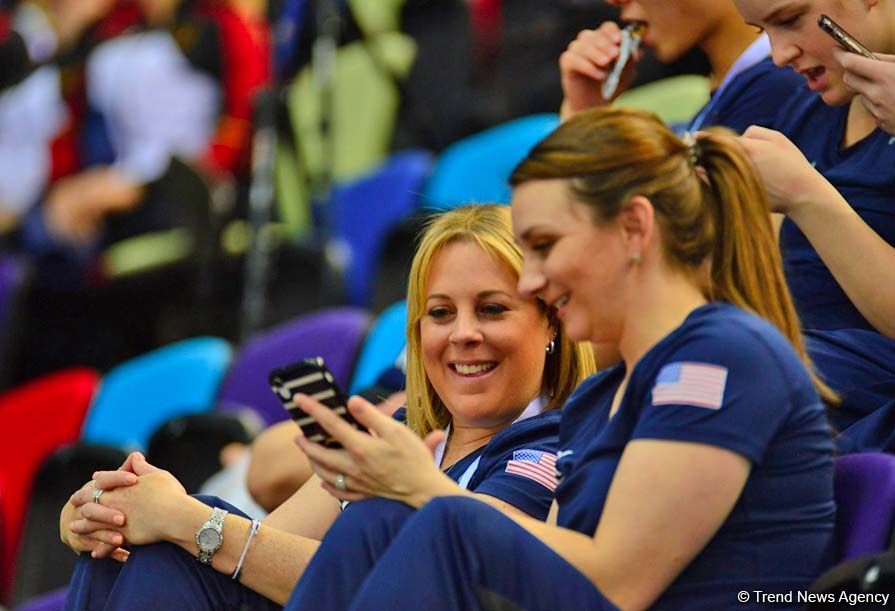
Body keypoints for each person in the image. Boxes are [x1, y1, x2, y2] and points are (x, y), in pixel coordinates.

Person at [282, 107, 837, 611]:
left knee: (436, 517)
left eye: (545, 245)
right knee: (380, 518)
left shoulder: (722, 356)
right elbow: (550, 569)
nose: (533, 280)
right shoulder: (601, 393)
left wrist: (423, 486)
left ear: (634, 229)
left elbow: (619, 586)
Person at [60, 204, 597, 609]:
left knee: (179, 539)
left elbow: (380, 585)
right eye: (440, 313)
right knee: (128, 547)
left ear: (551, 320)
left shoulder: (548, 447)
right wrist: (113, 512)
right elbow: (275, 543)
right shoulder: (403, 428)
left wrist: (184, 519)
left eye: (493, 309)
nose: (463, 334)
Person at [734, 0, 895, 450]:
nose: (780, 53)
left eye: (789, 21)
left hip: (857, 400)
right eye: (760, 31)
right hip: (793, 368)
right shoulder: (808, 111)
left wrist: (807, 197)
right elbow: (760, 293)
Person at [559, 0, 805, 132]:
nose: (614, 1)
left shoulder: (779, 88)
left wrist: (582, 118)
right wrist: (586, 111)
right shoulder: (744, 88)